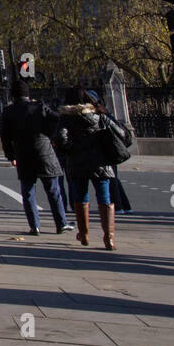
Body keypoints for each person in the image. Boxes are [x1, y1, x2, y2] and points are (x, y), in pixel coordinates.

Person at [0, 81, 73, 236]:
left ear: (13, 95)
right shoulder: (39, 107)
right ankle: (61, 223)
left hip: (23, 153)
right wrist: (49, 135)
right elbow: (57, 119)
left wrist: (11, 156)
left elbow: (5, 137)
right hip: (43, 150)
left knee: (28, 192)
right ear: (28, 94)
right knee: (53, 190)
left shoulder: (9, 111)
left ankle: (35, 226)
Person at [57, 86, 121, 250]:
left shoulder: (66, 118)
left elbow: (61, 140)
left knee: (81, 197)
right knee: (105, 198)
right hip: (100, 162)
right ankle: (109, 238)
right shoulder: (99, 115)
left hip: (78, 163)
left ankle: (84, 234)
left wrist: (72, 149)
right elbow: (120, 133)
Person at [88, 92, 133, 214]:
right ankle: (125, 205)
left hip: (106, 148)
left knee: (110, 178)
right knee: (113, 177)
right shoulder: (105, 113)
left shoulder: (99, 115)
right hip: (111, 147)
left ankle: (117, 206)